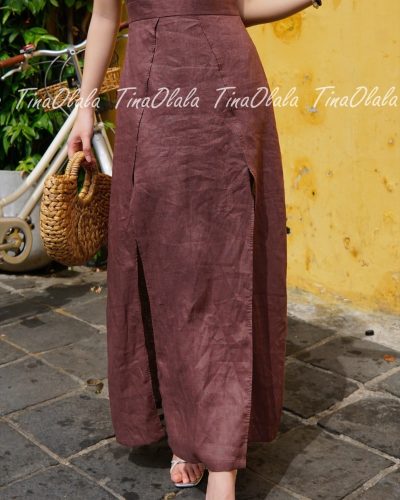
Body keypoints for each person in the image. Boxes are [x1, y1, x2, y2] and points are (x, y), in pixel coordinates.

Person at [67, 0, 323, 498]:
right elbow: (104, 16)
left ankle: (221, 459)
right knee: (168, 263)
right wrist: (85, 106)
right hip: (153, 93)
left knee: (226, 261)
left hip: (231, 88)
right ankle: (186, 426)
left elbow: (237, 7)